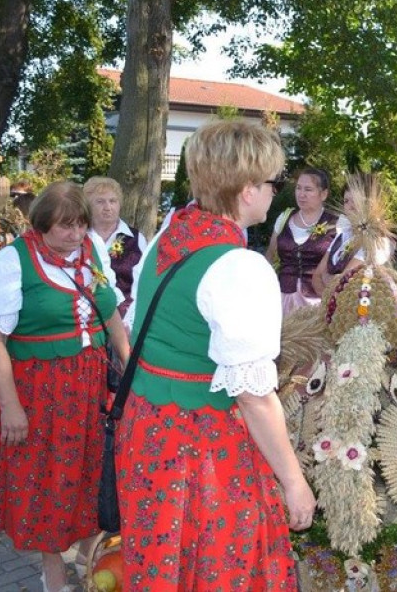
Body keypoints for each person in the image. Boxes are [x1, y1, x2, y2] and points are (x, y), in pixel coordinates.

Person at [117, 120, 315, 590]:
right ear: (248, 190)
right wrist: (294, 481)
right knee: (221, 568)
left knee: (166, 562)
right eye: (274, 183)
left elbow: (135, 329)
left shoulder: (172, 235)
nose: (276, 194)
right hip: (201, 445)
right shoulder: (238, 267)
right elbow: (253, 396)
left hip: (148, 428)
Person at [0, 181, 131, 592]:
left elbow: (111, 319)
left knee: (94, 471)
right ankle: (52, 572)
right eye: (64, 227)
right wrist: (11, 407)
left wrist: (129, 370)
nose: (74, 235)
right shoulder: (11, 264)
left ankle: (92, 557)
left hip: (91, 387)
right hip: (41, 392)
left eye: (80, 226)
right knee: (46, 481)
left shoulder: (93, 252)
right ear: (40, 225)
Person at [265, 167, 340, 315]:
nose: (301, 194)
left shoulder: (337, 223)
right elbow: (270, 255)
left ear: (323, 194)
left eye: (308, 189)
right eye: (298, 188)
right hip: (282, 299)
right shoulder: (284, 218)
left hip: (317, 303)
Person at [311, 173, 393, 295]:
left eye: (355, 201)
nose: (349, 207)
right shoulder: (343, 235)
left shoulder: (375, 241)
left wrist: (327, 277)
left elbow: (344, 282)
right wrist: (327, 302)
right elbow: (316, 276)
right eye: (346, 201)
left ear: (369, 203)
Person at [83, 176, 148, 315]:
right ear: (88, 205)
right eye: (100, 202)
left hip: (127, 315)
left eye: (113, 201)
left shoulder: (136, 238)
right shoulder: (80, 237)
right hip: (87, 313)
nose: (108, 207)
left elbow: (145, 280)